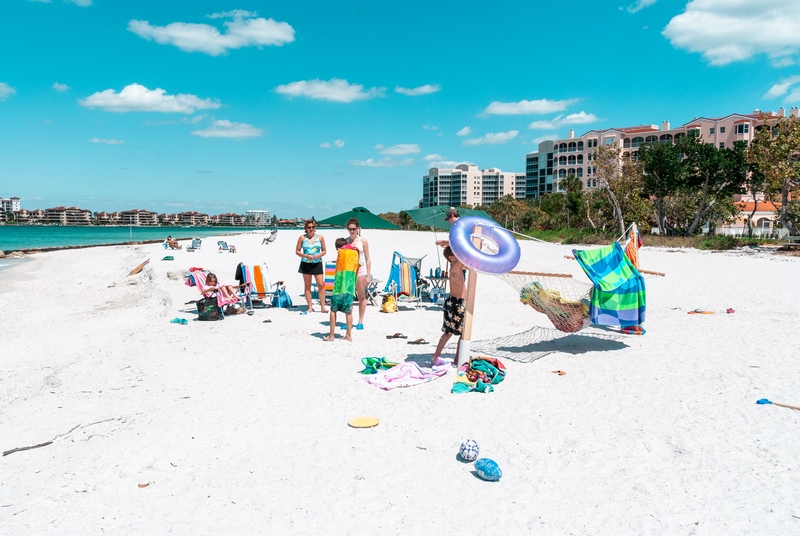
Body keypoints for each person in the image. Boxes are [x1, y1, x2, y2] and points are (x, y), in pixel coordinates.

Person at [432, 246, 467, 367]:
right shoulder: (454, 268)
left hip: (453, 302)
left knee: (448, 332)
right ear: (452, 258)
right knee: (462, 333)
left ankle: (436, 355)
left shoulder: (457, 268)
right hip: (457, 303)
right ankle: (457, 357)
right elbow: (465, 257)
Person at [324, 238, 359, 342]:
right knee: (348, 312)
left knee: (333, 310)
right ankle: (348, 335)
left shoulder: (340, 253)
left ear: (337, 248)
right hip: (350, 287)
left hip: (339, 287)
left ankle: (331, 336)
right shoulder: (354, 253)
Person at [295, 219, 328, 313]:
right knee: (307, 285)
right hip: (306, 263)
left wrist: (318, 255)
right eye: (309, 227)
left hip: (317, 263)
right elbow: (297, 251)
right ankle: (310, 307)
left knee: (321, 284)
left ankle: (322, 307)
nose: (311, 229)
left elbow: (324, 250)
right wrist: (305, 256)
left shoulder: (320, 237)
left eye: (313, 227)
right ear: (306, 228)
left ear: (315, 228)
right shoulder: (302, 238)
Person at [345, 217, 371, 330]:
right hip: (349, 271)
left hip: (360, 270)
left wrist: (368, 275)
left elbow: (367, 258)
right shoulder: (345, 241)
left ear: (357, 229)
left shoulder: (363, 241)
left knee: (361, 296)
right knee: (348, 297)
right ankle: (348, 321)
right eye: (350, 229)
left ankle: (360, 321)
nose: (352, 231)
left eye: (354, 229)